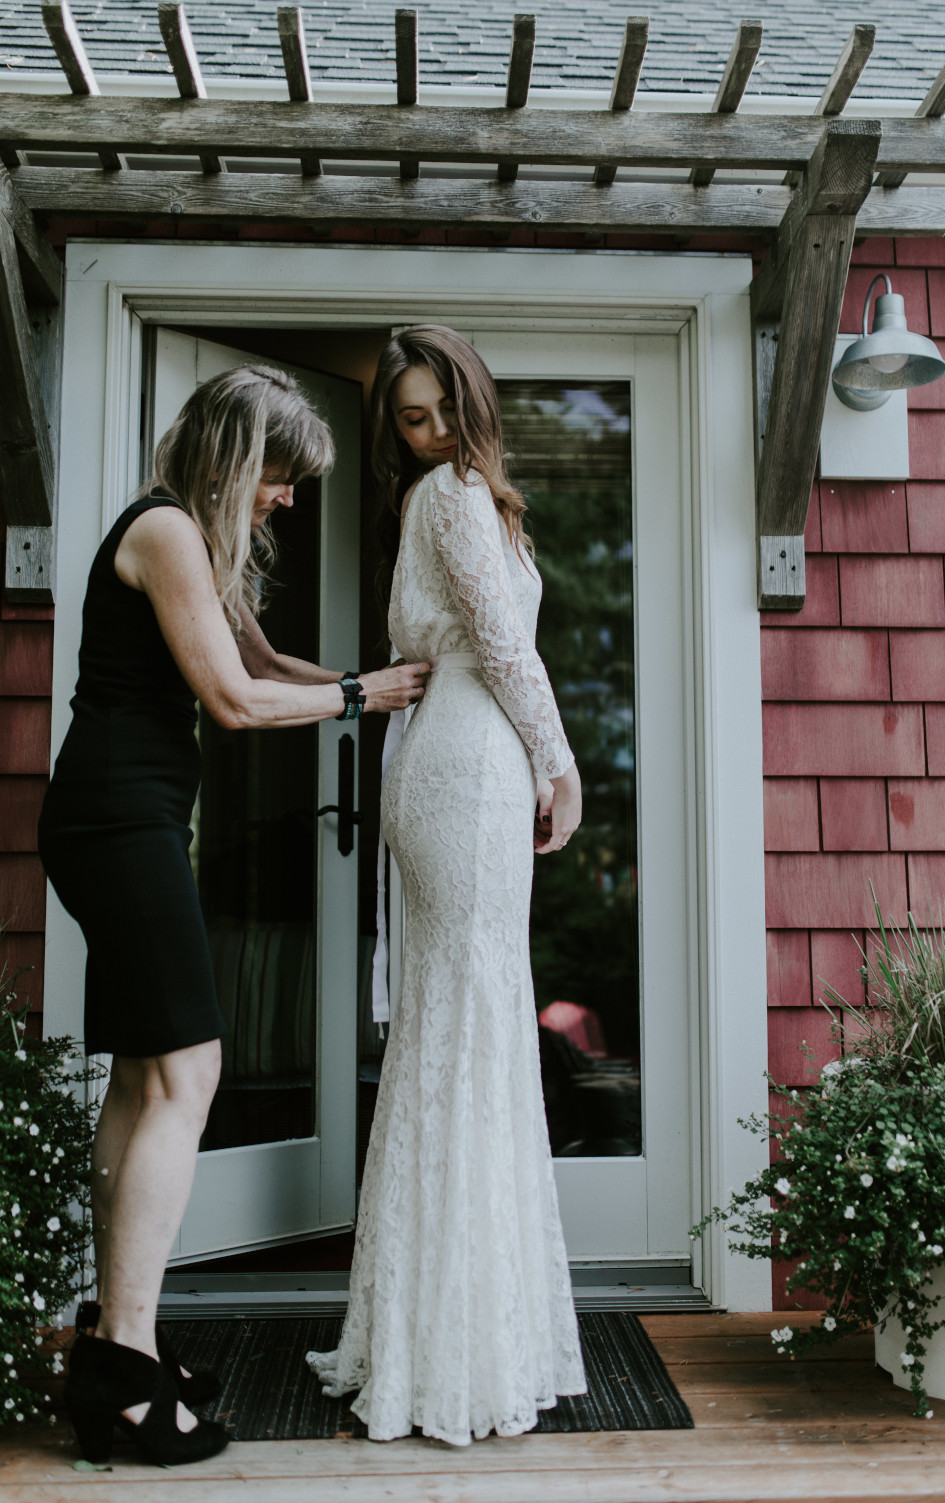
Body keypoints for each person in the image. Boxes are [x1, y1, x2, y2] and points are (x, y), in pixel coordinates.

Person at [38, 364, 428, 1467]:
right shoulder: (161, 529)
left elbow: (263, 662)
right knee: (192, 1071)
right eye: (282, 478)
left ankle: (115, 1351)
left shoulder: (193, 551)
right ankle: (123, 1365)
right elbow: (237, 701)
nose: (288, 501)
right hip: (117, 821)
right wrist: (364, 698)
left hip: (130, 819)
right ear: (234, 457)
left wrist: (383, 685)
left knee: (142, 1075)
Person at [306, 326, 586, 1444]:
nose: (423, 434)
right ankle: (456, 1345)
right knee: (467, 1030)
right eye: (407, 419)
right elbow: (508, 653)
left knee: (452, 1030)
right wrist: (560, 765)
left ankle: (445, 1328)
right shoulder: (456, 499)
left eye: (437, 411)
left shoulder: (467, 498)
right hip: (467, 766)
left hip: (451, 756)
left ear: (472, 399)